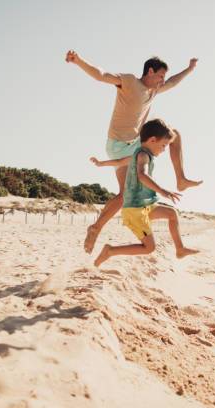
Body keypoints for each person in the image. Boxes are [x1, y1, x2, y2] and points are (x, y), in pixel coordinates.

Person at [65, 50, 202, 253]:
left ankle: (181, 179)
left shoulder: (153, 91)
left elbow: (173, 82)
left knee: (174, 135)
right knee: (125, 194)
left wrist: (189, 69)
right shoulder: (129, 82)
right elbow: (101, 75)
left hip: (135, 142)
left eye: (163, 78)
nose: (162, 81)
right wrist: (78, 61)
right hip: (119, 144)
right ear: (150, 70)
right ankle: (95, 228)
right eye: (160, 76)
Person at [93, 119, 199, 267]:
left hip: (145, 206)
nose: (163, 150)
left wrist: (101, 163)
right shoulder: (143, 156)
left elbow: (119, 162)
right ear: (152, 140)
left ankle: (180, 249)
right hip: (135, 211)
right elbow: (142, 175)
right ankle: (110, 251)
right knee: (149, 248)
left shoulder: (139, 154)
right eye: (163, 146)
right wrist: (162, 191)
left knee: (172, 214)